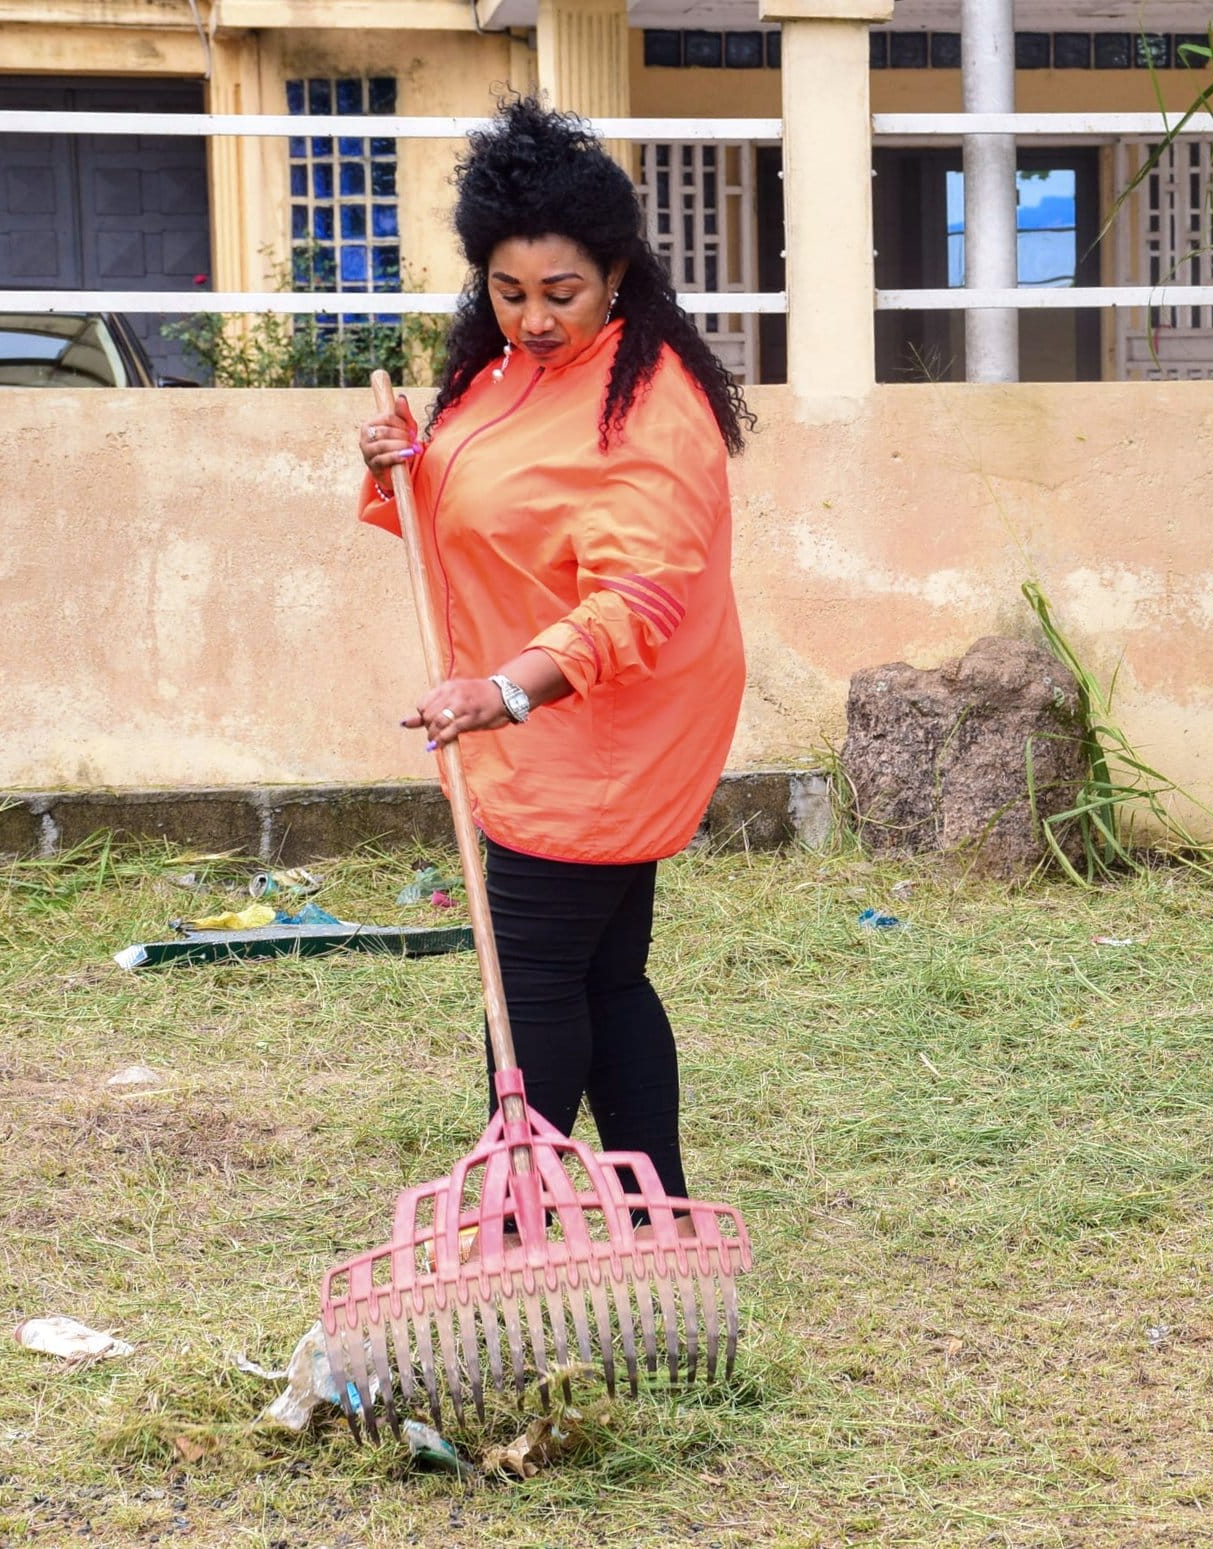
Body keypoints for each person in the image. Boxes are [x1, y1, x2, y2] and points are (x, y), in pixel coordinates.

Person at [354, 98, 750, 1221]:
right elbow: (479, 505)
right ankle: (657, 1218)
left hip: (598, 726)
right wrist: (403, 462)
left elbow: (639, 597)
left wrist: (506, 691)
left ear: (615, 272)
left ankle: (518, 1223)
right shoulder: (500, 374)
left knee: (531, 984)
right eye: (508, 290)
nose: (531, 318)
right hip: (531, 719)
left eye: (560, 293)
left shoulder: (646, 406)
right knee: (603, 976)